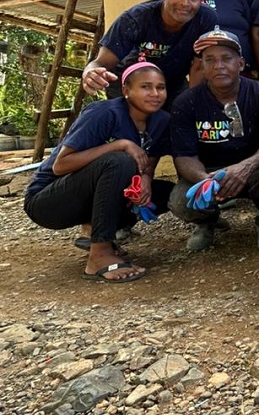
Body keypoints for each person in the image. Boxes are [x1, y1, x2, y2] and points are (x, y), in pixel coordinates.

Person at [24, 62, 172, 283]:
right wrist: (120, 144)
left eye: (160, 88)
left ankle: (96, 230)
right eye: (145, 87)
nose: (155, 94)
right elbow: (60, 165)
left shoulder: (161, 120)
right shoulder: (104, 113)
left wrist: (146, 180)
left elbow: (147, 162)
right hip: (49, 201)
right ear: (126, 91)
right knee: (119, 161)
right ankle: (99, 255)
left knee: (166, 193)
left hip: (90, 197)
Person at [169, 28, 259, 253]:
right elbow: (184, 156)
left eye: (226, 59)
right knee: (180, 201)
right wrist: (205, 180)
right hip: (210, 171)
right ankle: (207, 221)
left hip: (254, 168)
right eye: (209, 60)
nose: (218, 66)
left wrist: (245, 167)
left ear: (241, 64)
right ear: (202, 66)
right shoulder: (186, 103)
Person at [81, 0, 216, 106]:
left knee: (181, 118)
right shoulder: (135, 19)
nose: (185, 3)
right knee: (135, 125)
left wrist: (194, 105)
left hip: (173, 85)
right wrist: (90, 73)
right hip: (130, 85)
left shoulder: (205, 19)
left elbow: (198, 65)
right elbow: (100, 63)